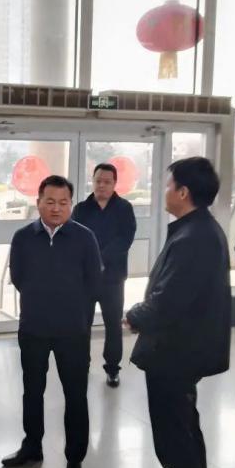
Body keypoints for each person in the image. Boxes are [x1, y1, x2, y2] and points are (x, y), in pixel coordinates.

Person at [125, 157, 231, 468]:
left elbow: (168, 300)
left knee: (178, 445)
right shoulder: (197, 229)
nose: (165, 190)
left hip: (175, 354)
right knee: (186, 437)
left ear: (183, 192)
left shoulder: (194, 238)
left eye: (169, 185)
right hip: (181, 351)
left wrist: (134, 316)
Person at [1, 175, 102, 468]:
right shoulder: (23, 237)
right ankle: (32, 447)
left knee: (75, 395)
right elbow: (18, 277)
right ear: (38, 203)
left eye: (63, 202)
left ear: (71, 204)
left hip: (73, 330)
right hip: (34, 327)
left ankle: (75, 458)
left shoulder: (84, 237)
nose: (56, 208)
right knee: (32, 391)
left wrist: (74, 309)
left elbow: (93, 282)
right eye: (50, 202)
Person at [73, 163, 136, 387]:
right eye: (98, 180)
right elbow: (75, 238)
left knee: (113, 325)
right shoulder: (81, 209)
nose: (101, 185)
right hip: (85, 279)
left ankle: (112, 368)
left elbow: (125, 239)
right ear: (93, 181)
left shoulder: (124, 208)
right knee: (82, 325)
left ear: (114, 183)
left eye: (107, 182)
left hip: (113, 278)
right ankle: (82, 365)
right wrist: (90, 262)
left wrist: (99, 258)